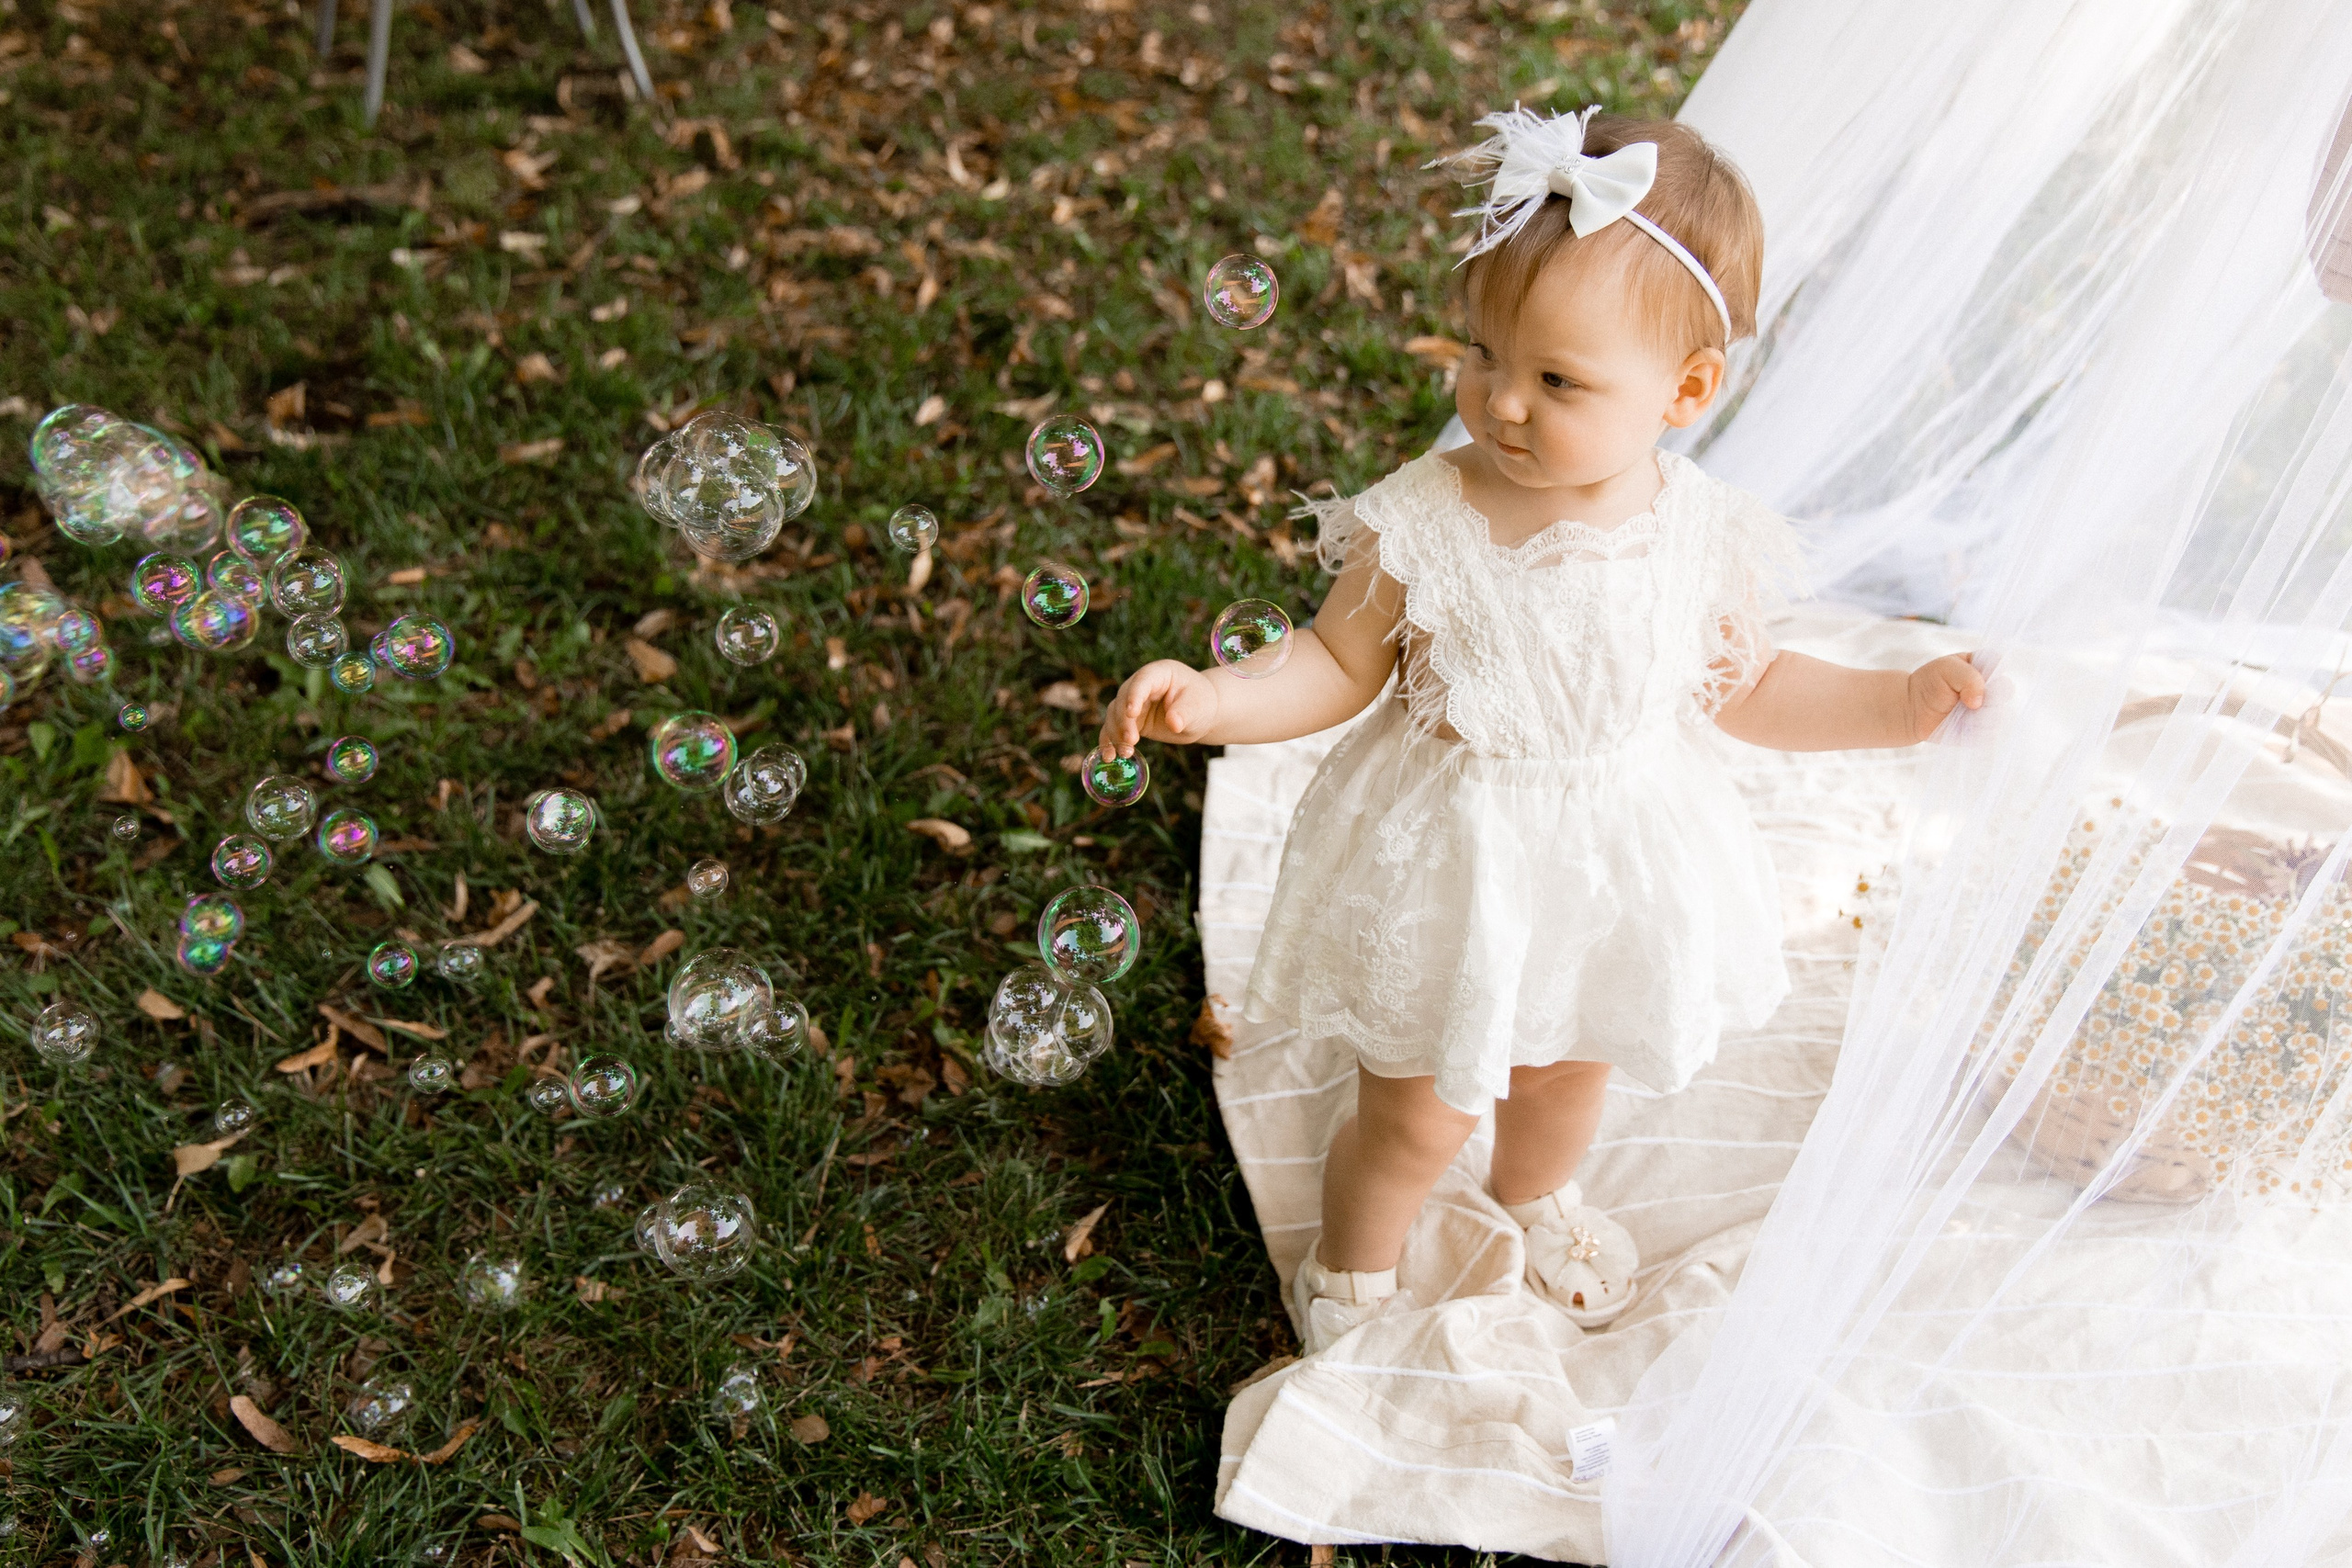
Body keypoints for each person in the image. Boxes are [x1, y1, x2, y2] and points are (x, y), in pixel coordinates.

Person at [1098, 106, 1987, 1350]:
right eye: (1482, 353)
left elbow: (1749, 685)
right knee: (1415, 1113)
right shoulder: (1430, 514)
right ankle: (1354, 1265)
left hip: (1608, 866)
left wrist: (1895, 705)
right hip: (1453, 867)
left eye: (1558, 381)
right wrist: (1220, 698)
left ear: (1686, 390)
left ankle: (1536, 1189)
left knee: (1572, 1067)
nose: (1501, 402)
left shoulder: (1696, 534)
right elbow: (1337, 661)